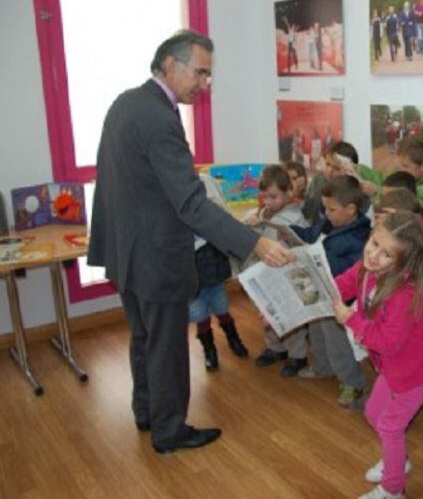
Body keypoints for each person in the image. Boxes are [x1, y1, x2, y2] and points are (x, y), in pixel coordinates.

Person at [88, 30, 291, 454]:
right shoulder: (160, 118)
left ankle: (147, 411)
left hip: (126, 249)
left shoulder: (126, 102)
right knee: (166, 347)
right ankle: (169, 431)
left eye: (208, 74)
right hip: (155, 254)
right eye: (200, 72)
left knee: (144, 337)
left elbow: (116, 180)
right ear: (169, 65)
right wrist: (254, 243)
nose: (205, 83)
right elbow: (191, 203)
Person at [333, 211, 423, 499]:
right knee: (374, 414)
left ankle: (392, 489)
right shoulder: (366, 269)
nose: (373, 255)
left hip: (417, 371)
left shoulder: (404, 294)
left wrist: (352, 320)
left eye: (386, 254)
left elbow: (388, 342)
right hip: (394, 367)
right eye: (373, 243)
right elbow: (341, 284)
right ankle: (399, 461)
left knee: (390, 427)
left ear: (404, 261)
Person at [292, 176, 371, 408]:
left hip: (340, 297)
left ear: (350, 209)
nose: (326, 214)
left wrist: (320, 259)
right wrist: (289, 231)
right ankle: (322, 367)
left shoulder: (359, 236)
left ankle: (352, 382)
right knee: (316, 329)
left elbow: (352, 271)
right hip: (321, 286)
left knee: (336, 341)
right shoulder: (328, 223)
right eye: (324, 208)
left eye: (331, 209)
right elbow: (311, 236)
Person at [247, 166, 309, 377]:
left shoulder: (294, 216)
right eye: (264, 196)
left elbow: (298, 243)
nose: (268, 201)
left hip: (287, 275)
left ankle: (297, 355)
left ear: (289, 192)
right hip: (266, 272)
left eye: (273, 197)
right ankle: (276, 348)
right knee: (268, 312)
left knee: (290, 315)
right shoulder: (264, 212)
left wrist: (263, 224)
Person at [189, 174, 249, 371]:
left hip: (212, 269)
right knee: (200, 314)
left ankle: (234, 339)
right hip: (190, 274)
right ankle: (209, 350)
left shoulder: (209, 207)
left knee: (221, 307)